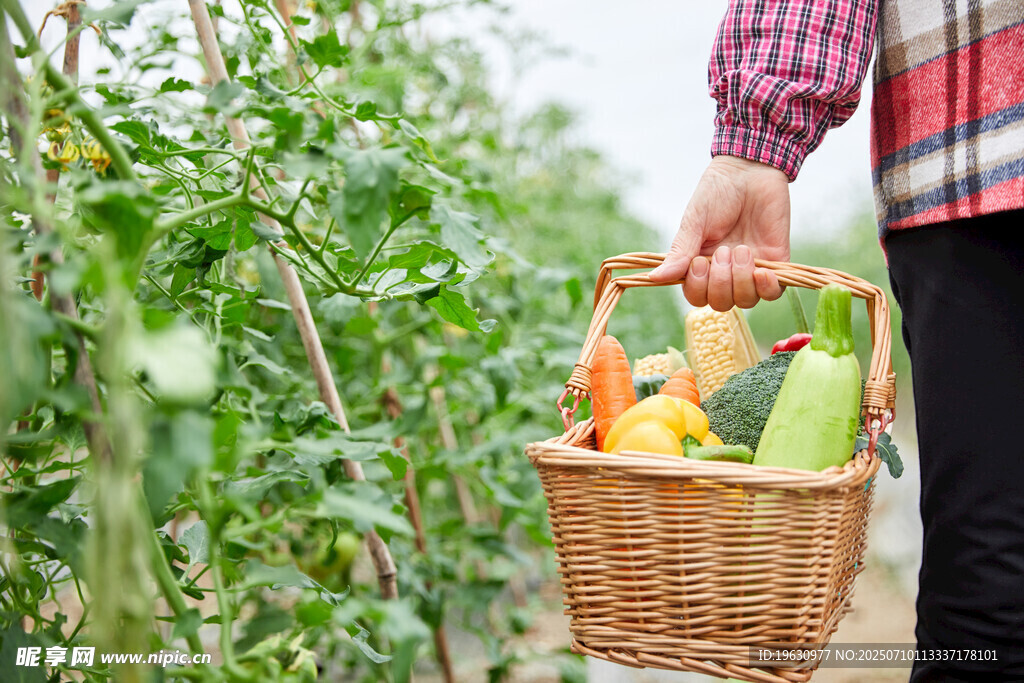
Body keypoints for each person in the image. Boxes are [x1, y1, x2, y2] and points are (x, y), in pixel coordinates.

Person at [649, 2, 1024, 681]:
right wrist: (752, 144)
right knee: (989, 595)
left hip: (968, 168)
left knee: (988, 589)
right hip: (978, 157)